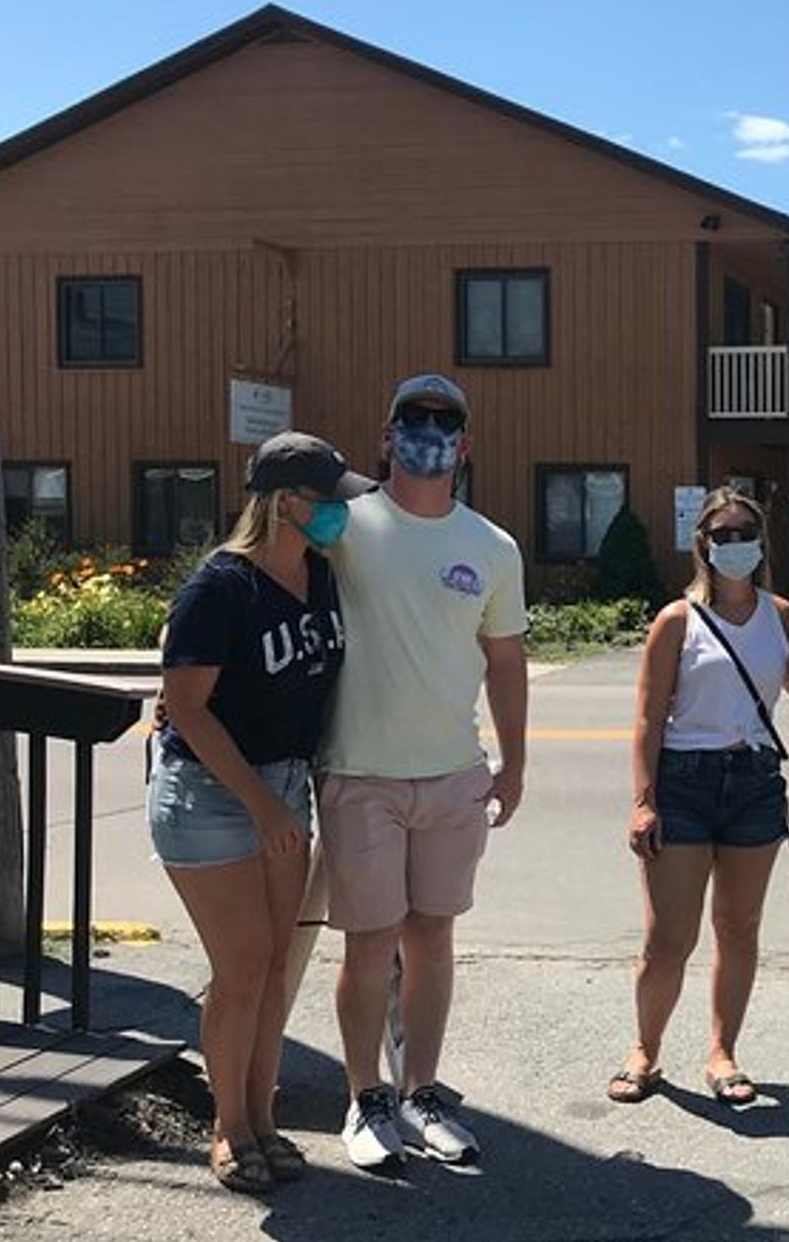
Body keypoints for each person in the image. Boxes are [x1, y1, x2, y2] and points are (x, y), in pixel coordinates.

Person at [150, 432, 375, 1194]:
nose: (340, 515)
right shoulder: (221, 586)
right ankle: (229, 1126)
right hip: (209, 793)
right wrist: (258, 800)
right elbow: (186, 706)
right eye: (329, 502)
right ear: (286, 502)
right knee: (242, 965)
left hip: (285, 784)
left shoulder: (321, 576)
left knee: (276, 966)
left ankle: (264, 1119)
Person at [319, 373, 530, 1173]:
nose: (430, 435)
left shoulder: (492, 546)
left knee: (433, 935)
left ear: (466, 445)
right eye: (416, 420)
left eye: (446, 424)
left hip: (452, 775)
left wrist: (514, 762)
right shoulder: (344, 525)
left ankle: (422, 1090)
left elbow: (505, 662)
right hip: (358, 770)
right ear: (388, 433)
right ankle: (366, 1096)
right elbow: (262, 575)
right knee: (369, 943)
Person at [610, 488, 789, 1106]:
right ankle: (645, 1050)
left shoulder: (781, 615)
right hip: (683, 783)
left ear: (762, 541)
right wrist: (644, 800)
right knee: (669, 938)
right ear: (703, 544)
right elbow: (644, 720)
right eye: (722, 534)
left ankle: (723, 1054)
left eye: (746, 532)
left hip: (754, 783)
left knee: (739, 929)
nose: (735, 543)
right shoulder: (677, 620)